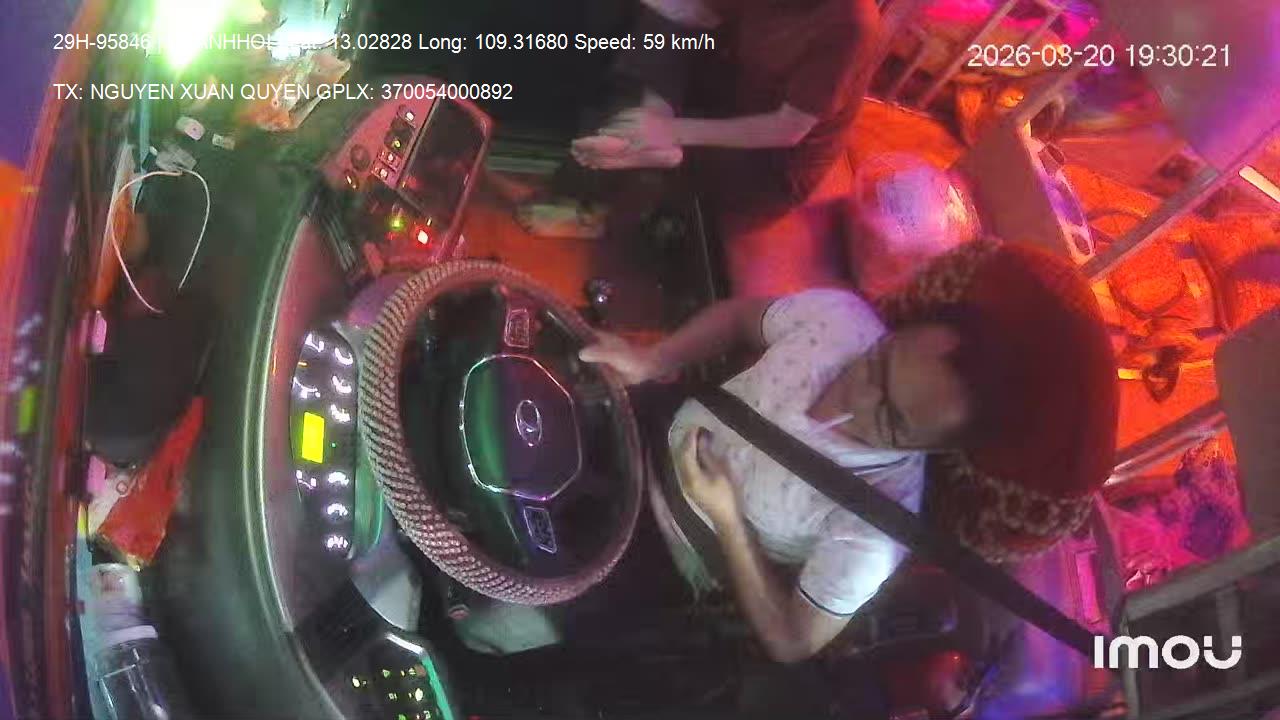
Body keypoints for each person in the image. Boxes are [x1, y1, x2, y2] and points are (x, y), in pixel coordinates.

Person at [579, 238, 1118, 662]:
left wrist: (728, 520)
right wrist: (655, 360)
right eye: (877, 365)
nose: (856, 399)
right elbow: (741, 318)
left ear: (936, 449)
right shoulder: (841, 322)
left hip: (668, 556)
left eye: (891, 420)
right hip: (647, 427)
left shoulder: (878, 524)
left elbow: (792, 640)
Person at [517, 0, 883, 237]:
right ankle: (648, 130)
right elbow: (693, 11)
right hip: (735, 83)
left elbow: (788, 130)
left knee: (632, 131)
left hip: (770, 164)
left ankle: (597, 202)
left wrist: (672, 130)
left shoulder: (850, 25)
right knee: (661, 17)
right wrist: (659, 112)